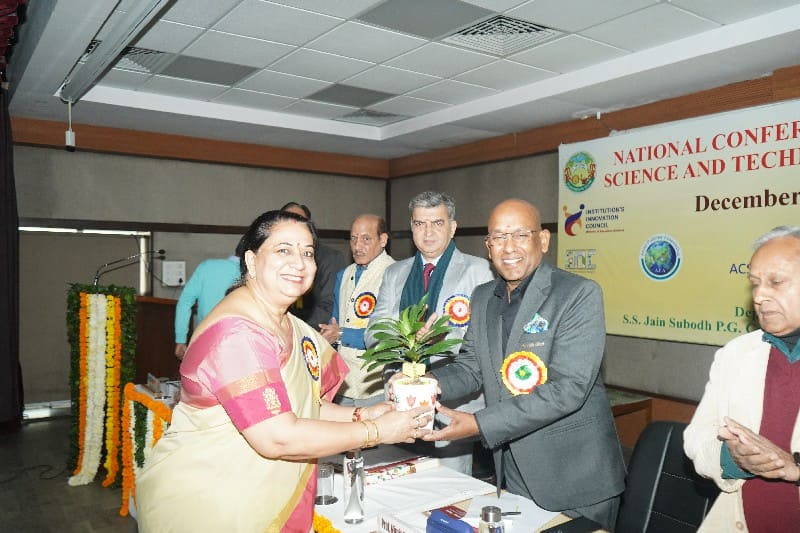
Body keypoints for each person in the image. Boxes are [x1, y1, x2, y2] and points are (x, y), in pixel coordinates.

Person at [135, 210, 432, 533]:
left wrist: (364, 413)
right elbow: (277, 437)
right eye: (283, 250)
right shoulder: (238, 334)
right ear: (251, 261)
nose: (299, 263)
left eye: (308, 253)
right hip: (209, 505)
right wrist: (376, 432)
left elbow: (303, 404)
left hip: (254, 500)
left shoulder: (290, 325)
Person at [416, 198, 625, 530]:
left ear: (543, 240)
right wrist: (426, 383)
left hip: (575, 477)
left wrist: (480, 424)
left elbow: (568, 389)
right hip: (513, 471)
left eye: (520, 235)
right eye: (499, 237)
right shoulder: (483, 296)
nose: (508, 247)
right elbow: (470, 365)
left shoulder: (577, 294)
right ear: (488, 247)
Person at [367, 191, 494, 475]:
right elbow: (373, 333)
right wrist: (407, 341)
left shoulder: (479, 271)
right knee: (398, 478)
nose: (428, 232)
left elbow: (487, 340)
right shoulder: (395, 273)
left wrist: (440, 340)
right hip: (399, 397)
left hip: (453, 402)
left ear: (453, 227)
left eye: (437, 223)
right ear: (411, 227)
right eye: (419, 224)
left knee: (451, 484)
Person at [684, 225, 800, 532]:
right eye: (755, 284)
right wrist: (732, 459)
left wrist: (795, 467)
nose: (759, 296)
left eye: (776, 282)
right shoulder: (735, 353)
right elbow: (696, 437)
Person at [319, 214, 395, 407]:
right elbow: (335, 322)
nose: (357, 246)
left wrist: (341, 334)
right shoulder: (344, 274)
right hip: (343, 381)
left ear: (383, 240)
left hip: (376, 383)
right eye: (353, 239)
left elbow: (390, 335)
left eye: (366, 239)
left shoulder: (395, 273)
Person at [281, 202, 346, 331]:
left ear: (310, 227)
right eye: (288, 221)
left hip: (311, 331)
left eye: (300, 221)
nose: (295, 227)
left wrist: (292, 327)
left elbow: (330, 306)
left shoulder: (330, 258)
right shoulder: (277, 256)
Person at [173, 252, 240, 359]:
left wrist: (181, 339)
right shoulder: (254, 274)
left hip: (204, 343)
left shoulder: (207, 266)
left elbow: (185, 302)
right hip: (239, 346)